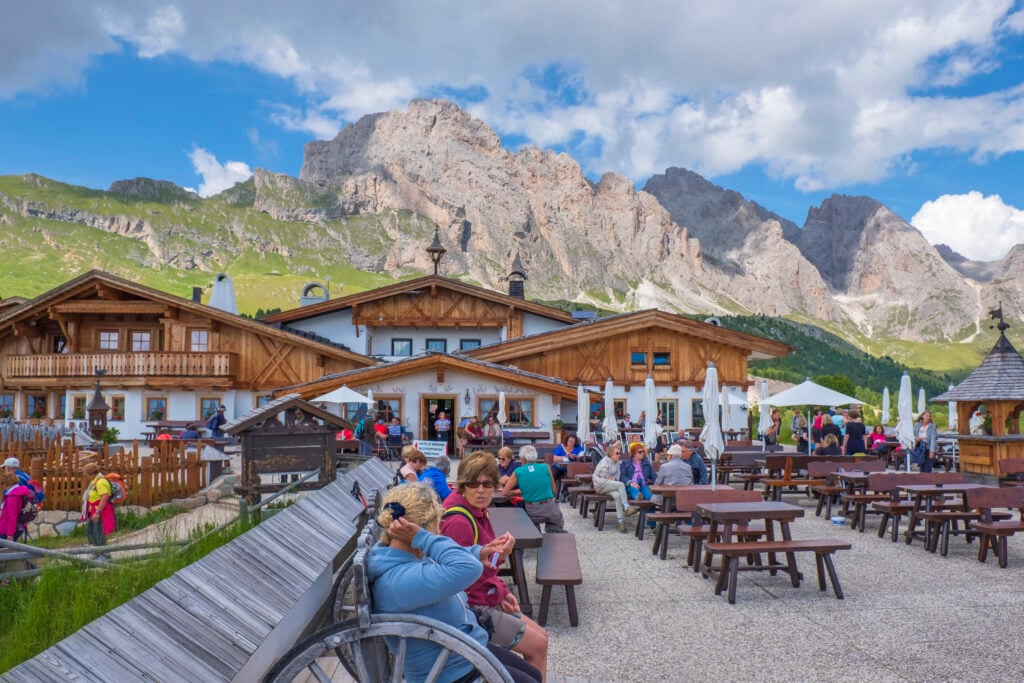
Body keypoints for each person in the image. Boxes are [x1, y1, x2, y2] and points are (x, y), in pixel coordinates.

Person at [368, 483, 541, 683]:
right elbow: (467, 568)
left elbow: (439, 565)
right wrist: (422, 538)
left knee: (534, 675)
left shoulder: (399, 558)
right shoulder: (398, 580)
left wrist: (479, 552)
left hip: (463, 651)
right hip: (452, 670)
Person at [442, 452, 549, 679]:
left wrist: (501, 587)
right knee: (538, 646)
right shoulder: (458, 522)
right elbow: (461, 578)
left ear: (495, 485)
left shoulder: (478, 511)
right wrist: (502, 561)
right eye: (473, 483)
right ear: (462, 485)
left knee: (542, 638)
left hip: (485, 596)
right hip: (472, 609)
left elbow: (482, 564)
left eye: (487, 483)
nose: (480, 490)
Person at [501, 445, 565, 533]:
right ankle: (552, 526)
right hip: (549, 507)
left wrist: (519, 492)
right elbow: (554, 491)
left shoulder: (518, 471)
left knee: (526, 514)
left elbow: (504, 492)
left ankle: (535, 530)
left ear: (523, 459)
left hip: (533, 509)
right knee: (558, 519)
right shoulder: (546, 467)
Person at [590, 441, 637, 533]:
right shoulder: (605, 461)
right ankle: (626, 507)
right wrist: (612, 479)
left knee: (617, 496)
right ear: (611, 454)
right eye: (617, 453)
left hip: (608, 485)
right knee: (621, 485)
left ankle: (621, 521)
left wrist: (612, 479)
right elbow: (602, 474)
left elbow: (617, 477)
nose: (619, 455)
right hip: (600, 484)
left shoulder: (617, 463)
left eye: (620, 453)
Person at [81, 462, 116, 548]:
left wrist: (97, 512)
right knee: (91, 532)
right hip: (92, 511)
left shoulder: (100, 482)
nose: (85, 477)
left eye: (86, 474)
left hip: (99, 511)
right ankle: (96, 552)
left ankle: (103, 554)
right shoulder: (94, 481)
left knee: (98, 533)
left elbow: (104, 497)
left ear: (92, 474)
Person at [0, 472, 32, 541]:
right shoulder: (21, 492)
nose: (2, 486)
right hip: (19, 526)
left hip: (7, 529)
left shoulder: (12, 497)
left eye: (2, 483)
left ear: (6, 484)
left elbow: (12, 516)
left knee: (4, 550)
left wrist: (10, 534)